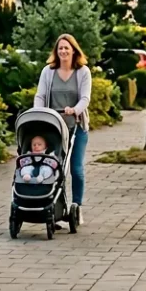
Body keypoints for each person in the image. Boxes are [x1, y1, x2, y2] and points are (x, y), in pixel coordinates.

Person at [34, 34, 92, 225]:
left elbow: (85, 98)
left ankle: (76, 206)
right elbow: (40, 95)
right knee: (55, 167)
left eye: (67, 48)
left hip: (76, 126)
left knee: (75, 168)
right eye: (60, 48)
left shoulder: (83, 72)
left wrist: (74, 110)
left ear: (74, 50)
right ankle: (56, 208)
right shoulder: (48, 72)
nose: (63, 51)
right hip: (55, 128)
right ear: (56, 51)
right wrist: (39, 112)